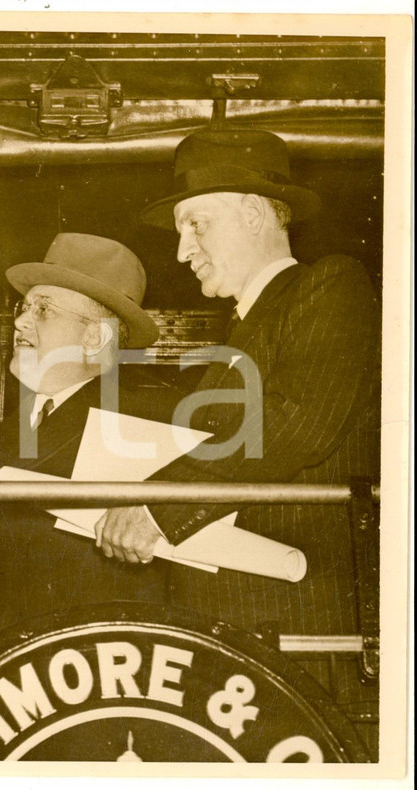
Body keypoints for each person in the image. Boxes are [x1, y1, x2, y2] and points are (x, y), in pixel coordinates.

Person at [95, 129, 380, 637]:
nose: (183, 251)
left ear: (252, 214)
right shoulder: (242, 332)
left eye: (195, 225)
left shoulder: (331, 285)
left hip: (297, 621)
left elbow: (297, 423)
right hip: (243, 621)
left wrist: (156, 506)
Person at [0, 233, 165, 640]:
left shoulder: (147, 428)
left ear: (95, 338)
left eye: (43, 310)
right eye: (24, 307)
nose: (20, 321)